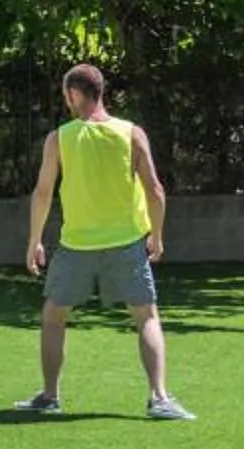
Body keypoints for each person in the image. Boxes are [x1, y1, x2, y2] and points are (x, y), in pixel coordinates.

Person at [18, 64, 193, 420]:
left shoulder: (59, 138)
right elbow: (155, 191)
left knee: (54, 316)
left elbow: (43, 193)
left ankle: (50, 396)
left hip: (76, 245)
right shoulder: (131, 133)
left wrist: (34, 241)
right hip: (126, 243)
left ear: (74, 94)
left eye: (66, 95)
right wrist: (157, 236)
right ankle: (160, 398)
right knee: (146, 316)